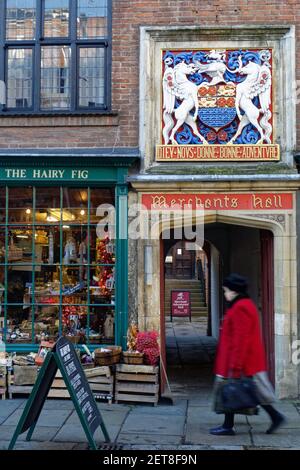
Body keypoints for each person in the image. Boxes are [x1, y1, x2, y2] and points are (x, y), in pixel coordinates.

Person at [210, 273, 286, 436]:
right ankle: (274, 417)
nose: (225, 294)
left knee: (236, 391)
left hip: (243, 362)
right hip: (244, 361)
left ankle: (229, 426)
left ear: (235, 291)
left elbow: (240, 339)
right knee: (250, 392)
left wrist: (235, 367)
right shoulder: (242, 304)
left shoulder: (241, 307)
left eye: (226, 290)